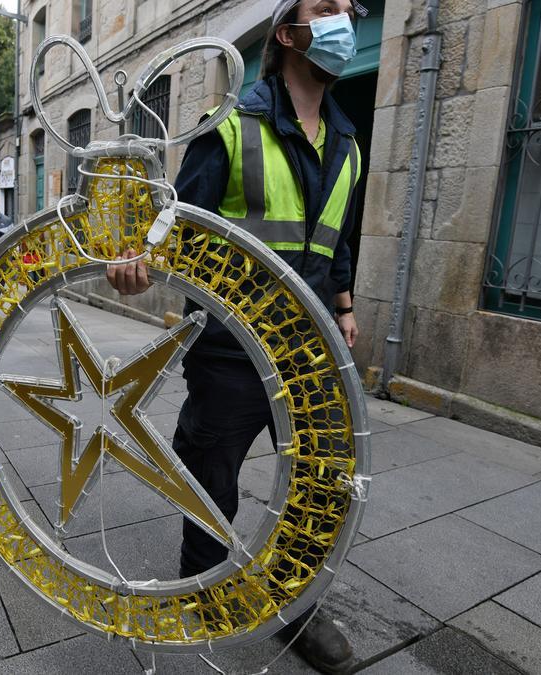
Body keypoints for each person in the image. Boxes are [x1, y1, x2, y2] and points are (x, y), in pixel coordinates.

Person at [106, 1, 362, 672]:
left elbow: (338, 241)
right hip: (234, 348)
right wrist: (140, 265)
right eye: (326, 8)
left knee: (317, 483)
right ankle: (203, 595)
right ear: (288, 34)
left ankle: (296, 604)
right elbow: (175, 232)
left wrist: (344, 302)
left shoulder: (347, 140)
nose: (343, 19)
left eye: (348, 8)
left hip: (310, 353)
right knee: (210, 476)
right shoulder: (229, 128)